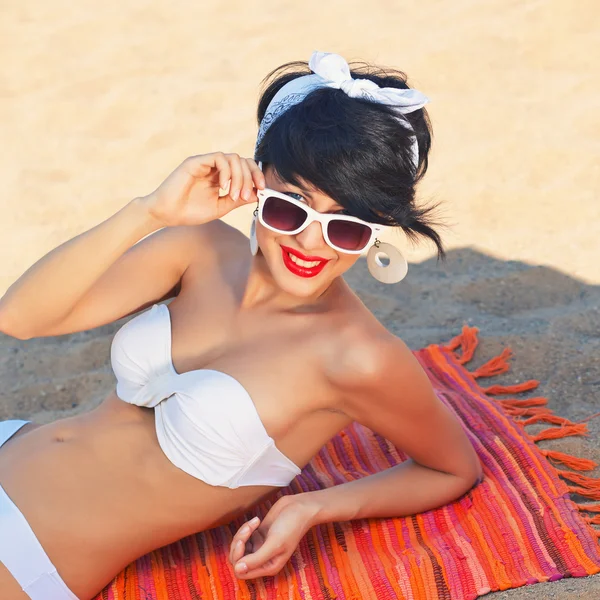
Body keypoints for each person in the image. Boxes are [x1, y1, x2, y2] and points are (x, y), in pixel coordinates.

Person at [0, 51, 482, 600]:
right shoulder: (200, 248)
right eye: (290, 207)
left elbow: (451, 469)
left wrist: (311, 506)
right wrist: (150, 210)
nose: (309, 241)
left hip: (30, 556)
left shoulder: (357, 357)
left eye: (345, 227)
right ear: (258, 186)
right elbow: (20, 318)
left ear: (375, 233)